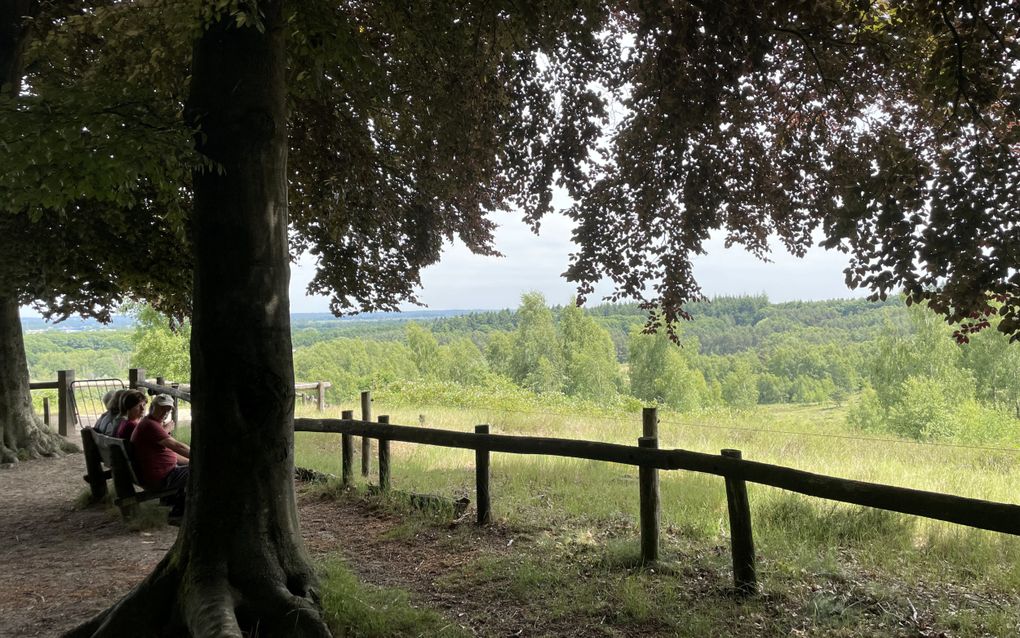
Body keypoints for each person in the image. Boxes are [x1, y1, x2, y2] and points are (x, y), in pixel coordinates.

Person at [130, 393, 190, 523]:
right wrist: (201, 458)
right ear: (152, 407)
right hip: (161, 479)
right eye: (162, 408)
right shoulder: (151, 426)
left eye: (168, 409)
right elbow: (177, 446)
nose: (165, 412)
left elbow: (171, 453)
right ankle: (179, 512)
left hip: (154, 475)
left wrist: (192, 461)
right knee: (201, 472)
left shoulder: (150, 423)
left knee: (191, 467)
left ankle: (172, 503)